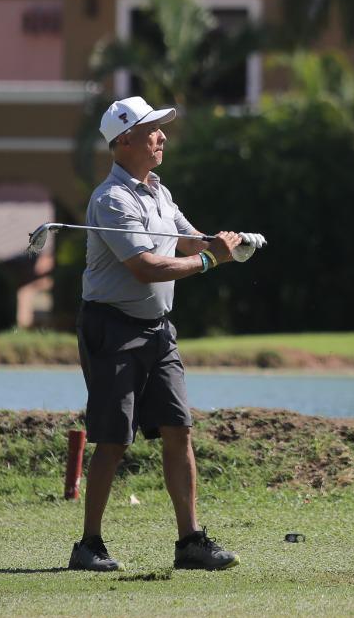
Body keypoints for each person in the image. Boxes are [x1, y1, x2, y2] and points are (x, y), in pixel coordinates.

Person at [68, 95, 244, 573]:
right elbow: (145, 266)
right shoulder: (110, 198)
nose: (161, 135)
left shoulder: (159, 192)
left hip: (158, 329)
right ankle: (89, 545)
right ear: (124, 140)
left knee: (178, 427)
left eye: (160, 128)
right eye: (151, 130)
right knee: (113, 438)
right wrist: (211, 260)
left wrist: (229, 243)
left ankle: (190, 542)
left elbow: (190, 239)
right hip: (112, 327)